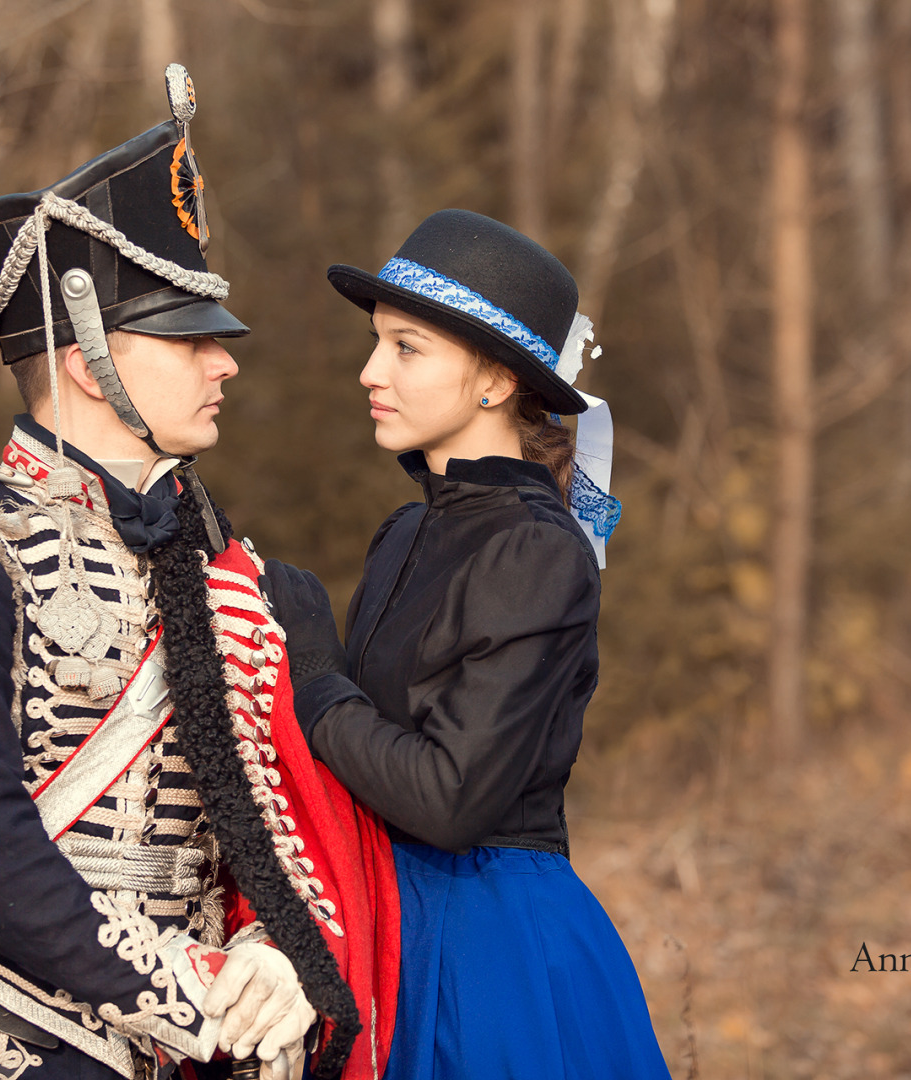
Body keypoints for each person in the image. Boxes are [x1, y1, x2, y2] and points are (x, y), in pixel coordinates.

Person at [0, 68, 397, 1080]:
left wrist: (275, 955)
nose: (228, 366)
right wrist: (194, 1000)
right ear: (88, 362)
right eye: (191, 339)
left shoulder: (234, 571)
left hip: (206, 1036)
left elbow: (266, 821)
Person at [261, 209, 668, 1079]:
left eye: (407, 348)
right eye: (377, 344)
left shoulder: (535, 549)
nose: (370, 371)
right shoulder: (404, 534)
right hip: (375, 920)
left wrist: (315, 676)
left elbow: (452, 800)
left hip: (486, 954)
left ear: (493, 382)